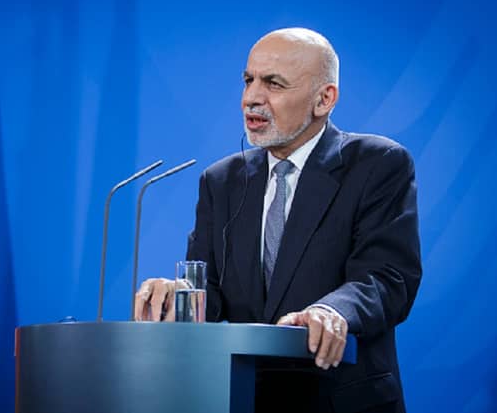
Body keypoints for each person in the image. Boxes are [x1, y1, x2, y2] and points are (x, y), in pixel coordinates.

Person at [134, 27, 422, 413]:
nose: (251, 98)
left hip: (341, 399)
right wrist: (179, 295)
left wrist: (332, 312)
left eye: (273, 83)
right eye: (248, 80)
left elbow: (387, 277)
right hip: (244, 399)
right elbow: (211, 293)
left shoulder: (377, 164)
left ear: (324, 99)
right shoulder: (221, 181)